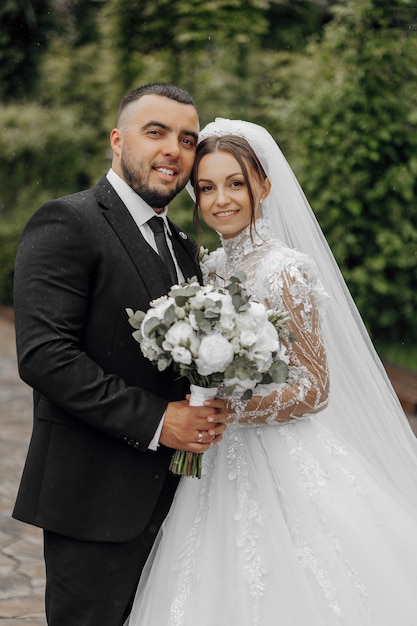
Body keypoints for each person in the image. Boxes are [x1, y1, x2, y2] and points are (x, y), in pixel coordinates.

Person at [125, 118, 417, 625]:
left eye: (236, 184)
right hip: (214, 458)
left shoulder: (285, 269)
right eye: (207, 187)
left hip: (278, 454)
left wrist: (228, 410)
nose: (222, 200)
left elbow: (314, 388)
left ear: (264, 185)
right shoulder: (209, 267)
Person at [12, 84, 227, 626]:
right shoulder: (67, 222)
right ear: (117, 139)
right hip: (95, 497)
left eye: (186, 138)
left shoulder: (181, 244)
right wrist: (160, 420)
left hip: (178, 500)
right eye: (155, 132)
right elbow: (45, 356)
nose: (173, 149)